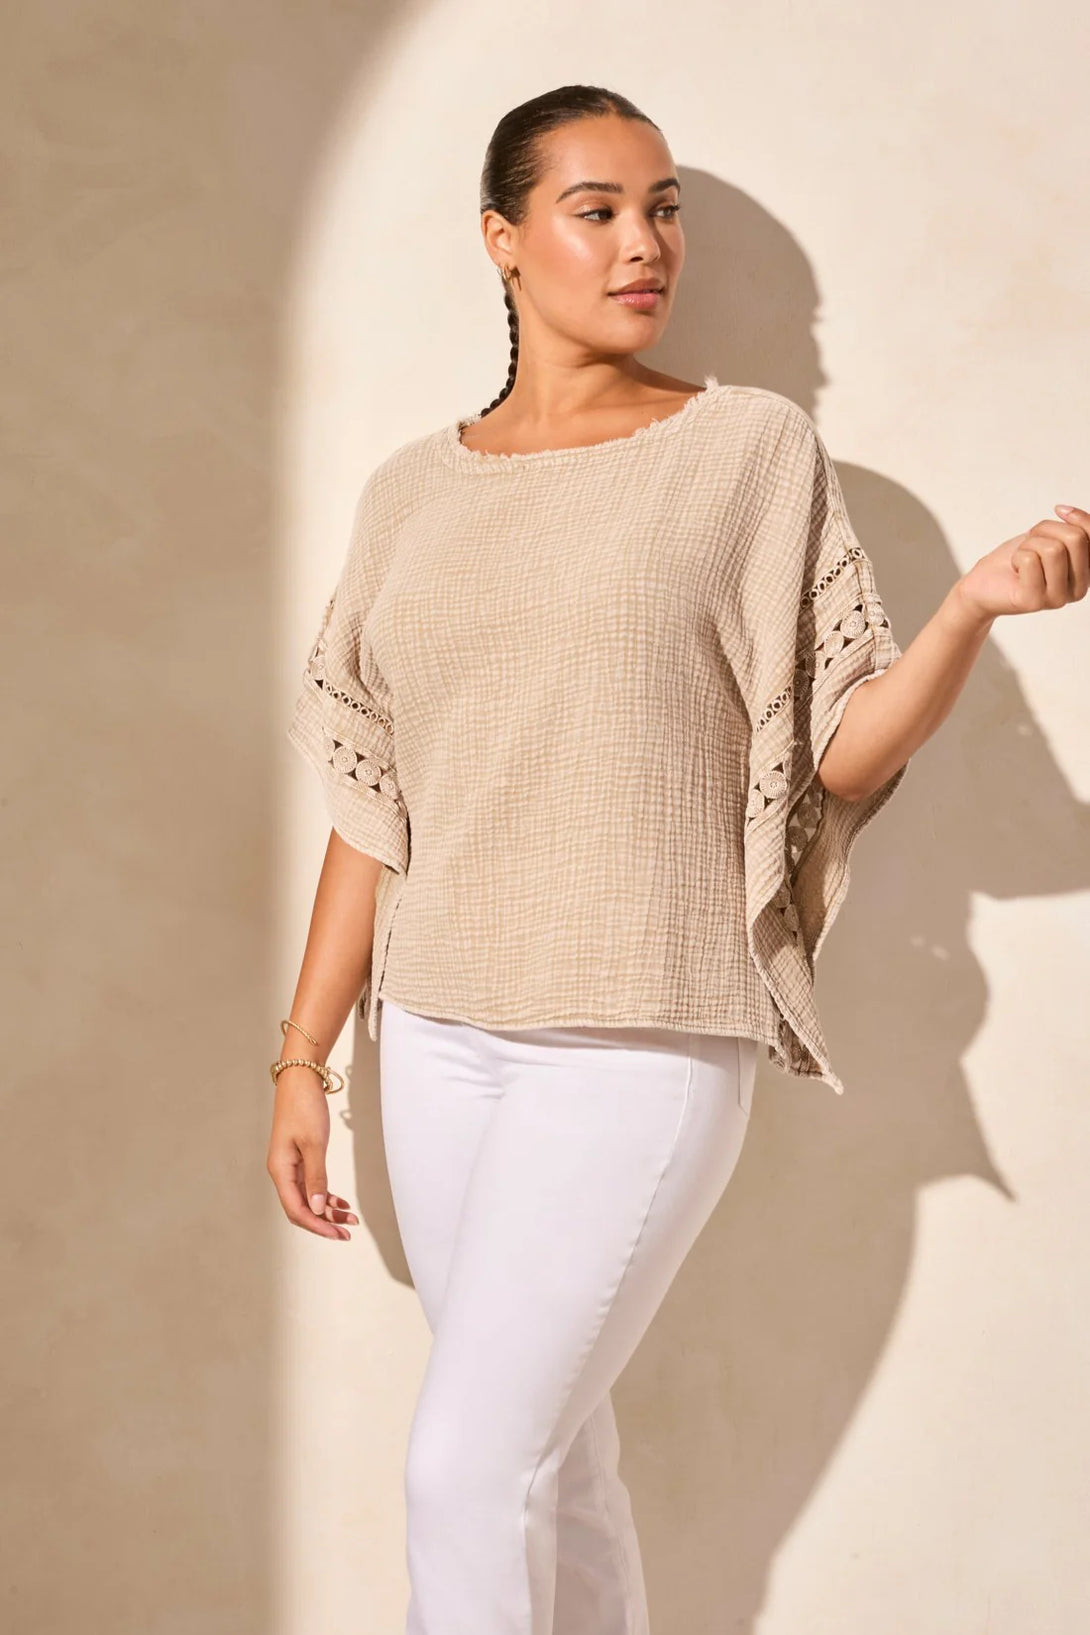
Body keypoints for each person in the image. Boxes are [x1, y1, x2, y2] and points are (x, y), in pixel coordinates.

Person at [266, 84, 1088, 1635]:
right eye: (596, 211)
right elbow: (374, 800)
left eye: (661, 208)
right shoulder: (409, 493)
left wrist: (968, 610)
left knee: (465, 1470)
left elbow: (837, 755)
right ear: (504, 238)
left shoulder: (745, 451)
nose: (643, 244)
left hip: (640, 1031)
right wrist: (303, 1058)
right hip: (434, 1036)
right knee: (554, 1466)